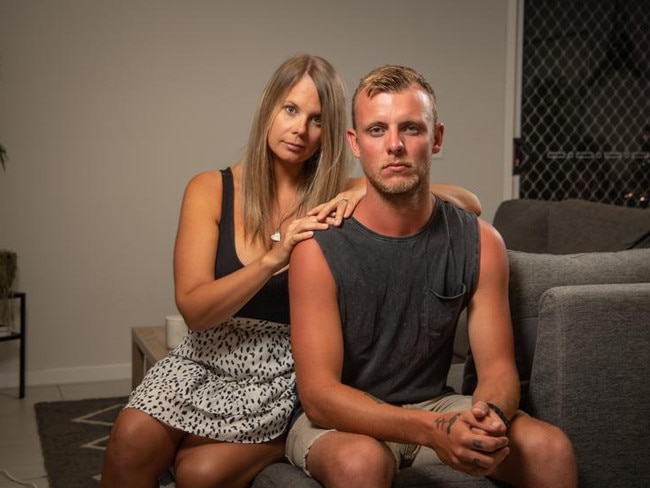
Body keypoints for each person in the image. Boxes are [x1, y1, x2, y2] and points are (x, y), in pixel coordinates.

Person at [101, 55, 482, 488]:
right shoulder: (210, 189)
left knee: (198, 473)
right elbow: (194, 311)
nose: (300, 129)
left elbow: (467, 202)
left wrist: (361, 197)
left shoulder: (341, 190)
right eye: (290, 109)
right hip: (206, 356)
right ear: (268, 110)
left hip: (285, 371)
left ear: (333, 133)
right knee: (129, 440)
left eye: (317, 120)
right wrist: (271, 260)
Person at [287, 64, 578, 488]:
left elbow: (498, 369)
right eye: (376, 130)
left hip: (436, 402)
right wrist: (432, 431)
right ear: (354, 142)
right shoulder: (317, 249)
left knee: (549, 449)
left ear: (436, 137)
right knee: (360, 463)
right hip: (344, 423)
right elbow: (320, 397)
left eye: (411, 128)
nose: (394, 145)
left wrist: (487, 418)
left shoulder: (481, 241)